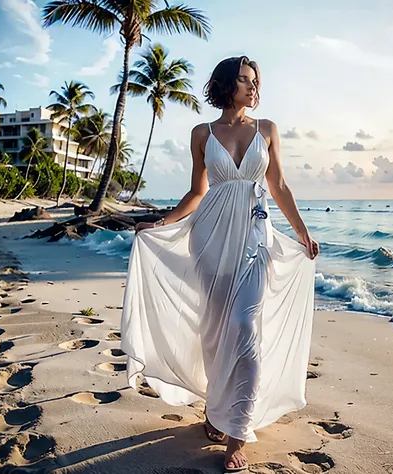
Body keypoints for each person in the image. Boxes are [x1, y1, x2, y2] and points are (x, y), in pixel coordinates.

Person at [121, 55, 319, 472]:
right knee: (214, 333)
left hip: (254, 239)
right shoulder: (202, 133)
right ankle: (215, 406)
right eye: (245, 80)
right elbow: (197, 193)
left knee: (245, 329)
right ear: (227, 84)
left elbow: (278, 185)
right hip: (209, 237)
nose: (252, 87)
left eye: (255, 81)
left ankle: (236, 434)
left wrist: (302, 232)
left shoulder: (267, 129)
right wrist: (160, 221)